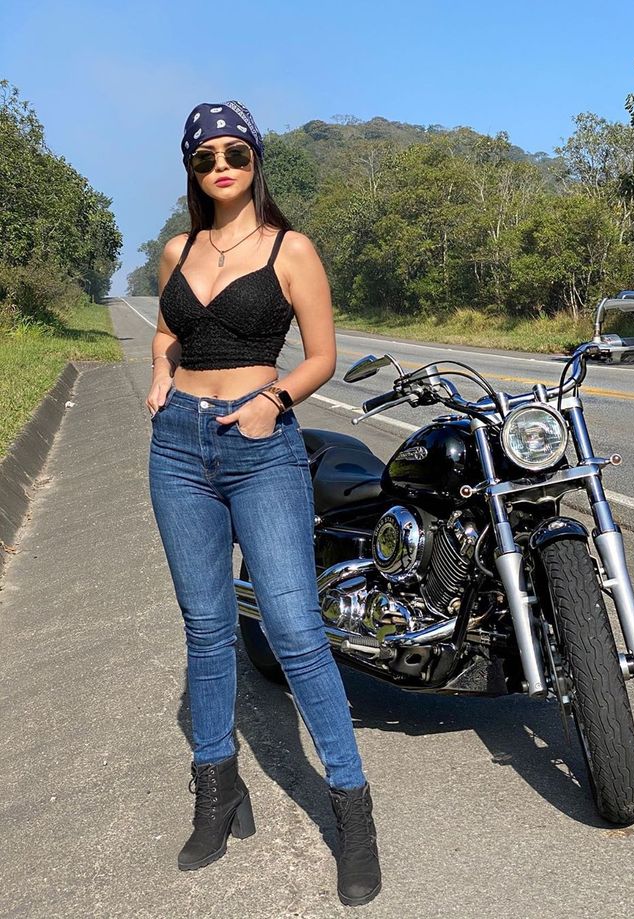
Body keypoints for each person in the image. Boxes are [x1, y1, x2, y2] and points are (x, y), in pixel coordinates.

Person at [146, 100, 381, 907]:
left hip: (259, 445)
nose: (222, 165)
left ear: (254, 162)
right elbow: (168, 332)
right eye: (207, 154)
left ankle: (352, 811)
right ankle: (218, 792)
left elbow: (323, 356)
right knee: (207, 629)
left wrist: (271, 401)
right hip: (176, 446)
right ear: (193, 166)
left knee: (294, 627)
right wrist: (156, 379)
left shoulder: (292, 248)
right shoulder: (178, 248)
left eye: (236, 153)